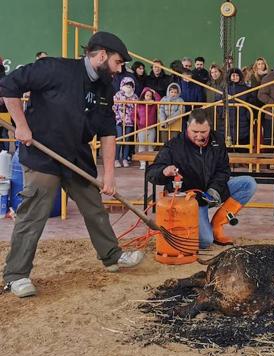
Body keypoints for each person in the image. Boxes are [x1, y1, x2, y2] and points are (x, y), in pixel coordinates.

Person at [0, 31, 144, 298]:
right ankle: (16, 275)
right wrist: (20, 125)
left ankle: (111, 256)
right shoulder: (54, 69)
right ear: (101, 56)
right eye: (117, 63)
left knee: (94, 207)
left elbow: (108, 131)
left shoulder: (104, 87)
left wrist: (110, 175)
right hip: (43, 155)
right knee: (33, 213)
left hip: (76, 156)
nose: (119, 69)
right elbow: (8, 85)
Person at [147, 108, 257, 248]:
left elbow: (224, 170)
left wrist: (214, 189)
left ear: (210, 128)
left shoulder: (217, 141)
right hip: (190, 200)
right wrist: (164, 171)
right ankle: (203, 229)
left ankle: (217, 225)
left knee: (248, 183)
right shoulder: (174, 145)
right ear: (187, 127)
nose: (199, 136)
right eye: (195, 132)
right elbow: (151, 173)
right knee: (205, 241)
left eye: (203, 132)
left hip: (211, 192)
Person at [112, 76, 138, 167]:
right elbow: (114, 107)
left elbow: (136, 109)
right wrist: (118, 117)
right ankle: (116, 159)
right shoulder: (118, 95)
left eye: (130, 85)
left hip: (130, 122)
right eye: (126, 85)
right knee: (119, 139)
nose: (128, 87)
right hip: (119, 121)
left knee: (127, 140)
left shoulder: (135, 96)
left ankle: (125, 158)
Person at [136, 87, 161, 169]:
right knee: (142, 146)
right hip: (141, 128)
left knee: (151, 146)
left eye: (150, 96)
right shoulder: (139, 104)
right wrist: (138, 123)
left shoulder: (153, 105)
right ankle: (142, 163)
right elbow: (134, 115)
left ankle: (150, 164)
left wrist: (154, 91)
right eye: (147, 95)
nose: (148, 97)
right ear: (143, 96)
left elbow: (158, 100)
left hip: (151, 127)